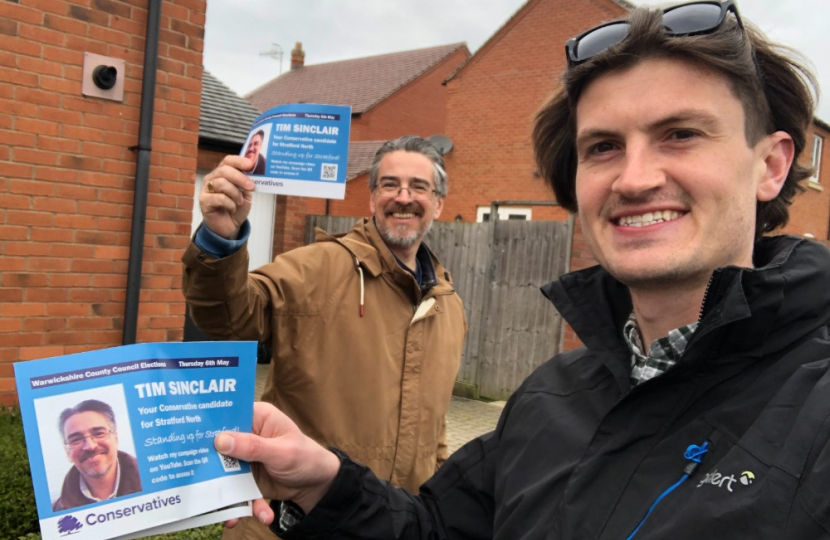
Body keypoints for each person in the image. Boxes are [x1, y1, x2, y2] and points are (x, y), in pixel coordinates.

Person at [211, 2, 830, 538]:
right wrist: (326, 484)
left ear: (772, 165)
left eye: (681, 134)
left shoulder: (813, 407)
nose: (636, 178)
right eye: (603, 147)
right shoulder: (548, 397)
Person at [182, 135, 467, 539]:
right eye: (389, 184)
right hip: (287, 528)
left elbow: (435, 428)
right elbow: (229, 317)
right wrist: (220, 241)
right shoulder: (319, 268)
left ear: (438, 203)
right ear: (371, 198)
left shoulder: (448, 306)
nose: (404, 197)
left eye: (419, 186)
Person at [52, 399, 142, 511]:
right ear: (67, 451)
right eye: (76, 439)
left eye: (99, 433)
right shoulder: (56, 512)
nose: (90, 446)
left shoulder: (155, 481)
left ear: (115, 438)